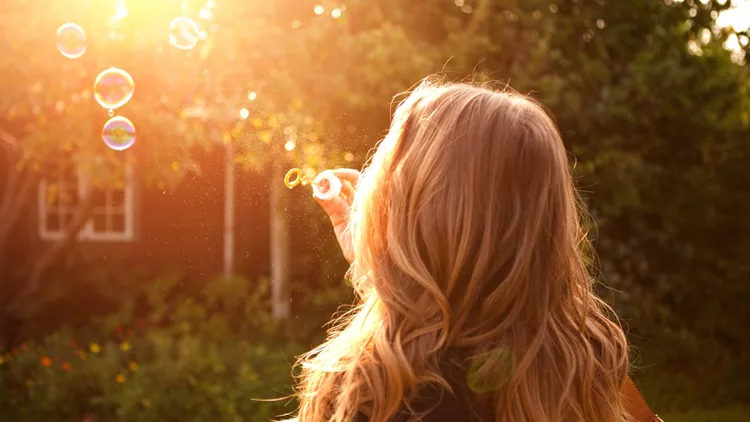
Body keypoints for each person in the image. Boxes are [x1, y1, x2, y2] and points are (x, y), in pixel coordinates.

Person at [287, 78, 660, 421]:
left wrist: (387, 265)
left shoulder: (372, 390)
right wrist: (378, 266)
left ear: (408, 222)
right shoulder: (581, 365)